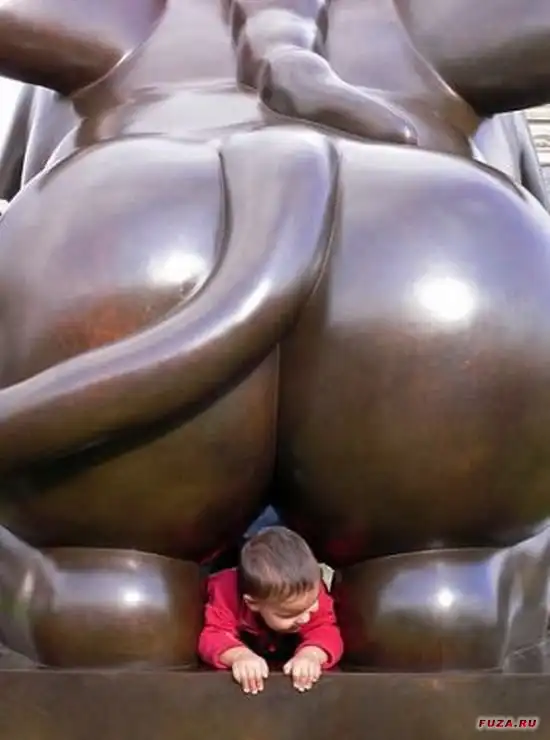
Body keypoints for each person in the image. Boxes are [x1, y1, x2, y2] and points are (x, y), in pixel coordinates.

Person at [198, 526, 343, 694]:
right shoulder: (225, 592)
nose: (305, 618)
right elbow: (214, 633)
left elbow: (326, 629)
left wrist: (311, 655)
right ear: (252, 603)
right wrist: (238, 656)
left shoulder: (310, 589)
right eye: (289, 614)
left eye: (312, 605)